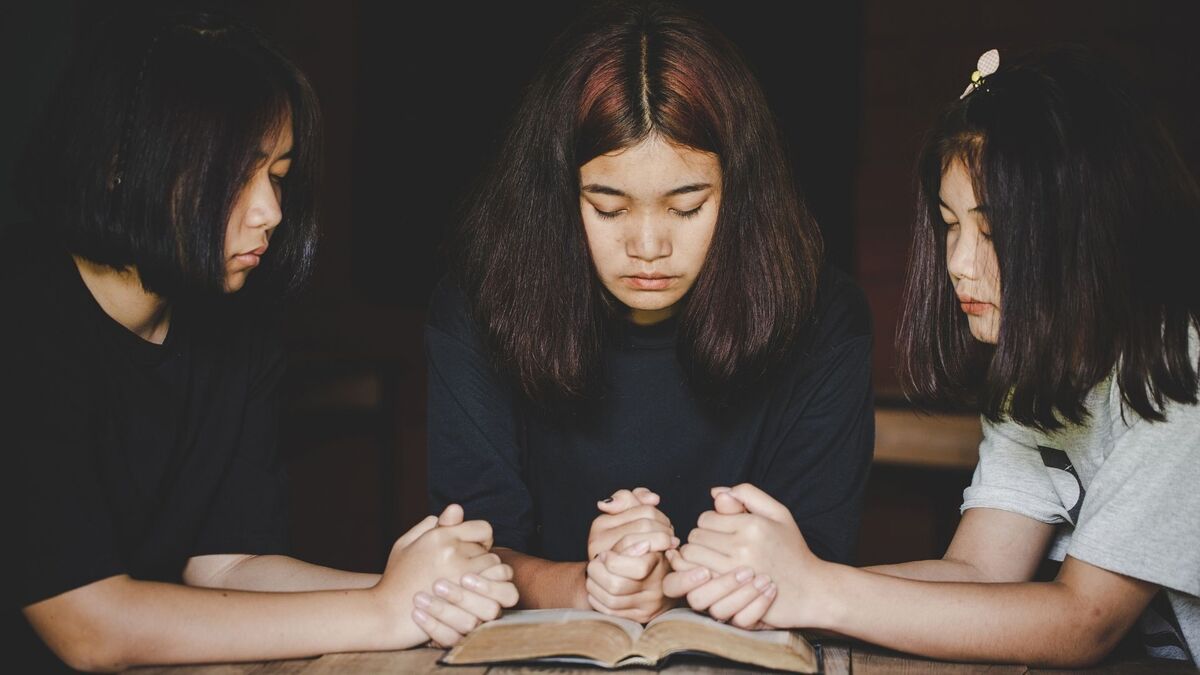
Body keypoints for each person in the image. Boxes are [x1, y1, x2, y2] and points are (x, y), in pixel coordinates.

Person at [3, 12, 515, 672]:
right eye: (237, 173)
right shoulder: (21, 319)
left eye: (277, 173)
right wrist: (382, 607)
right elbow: (88, 624)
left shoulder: (233, 327)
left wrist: (431, 593)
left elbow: (231, 562)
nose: (271, 209)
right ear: (122, 167)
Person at [667, 46, 1200, 666]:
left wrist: (818, 590)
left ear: (1086, 228)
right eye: (951, 225)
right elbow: (980, 570)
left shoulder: (1176, 366)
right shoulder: (1036, 365)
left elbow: (1086, 622)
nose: (958, 264)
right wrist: (770, 584)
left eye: (993, 233)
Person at [426, 0, 874, 624]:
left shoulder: (823, 316)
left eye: (686, 207)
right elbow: (474, 547)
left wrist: (670, 579)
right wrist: (593, 586)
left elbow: (817, 558)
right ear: (556, 196)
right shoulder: (479, 305)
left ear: (739, 192)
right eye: (608, 208)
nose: (648, 246)